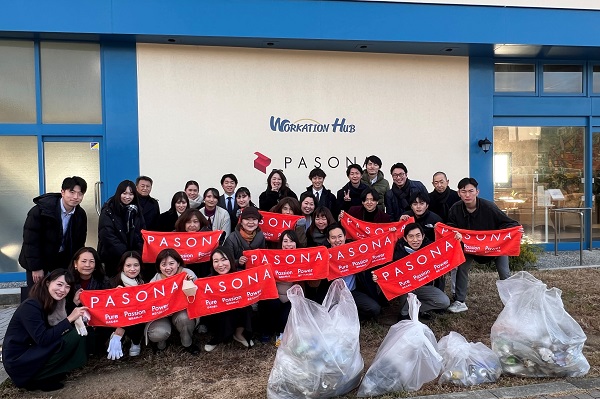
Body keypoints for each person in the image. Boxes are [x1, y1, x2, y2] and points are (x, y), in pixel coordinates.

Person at [3, 269, 88, 391]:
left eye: (67, 287)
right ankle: (37, 378)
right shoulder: (31, 306)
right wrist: (70, 319)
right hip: (19, 361)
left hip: (32, 352)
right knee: (74, 334)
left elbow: (57, 325)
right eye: (59, 284)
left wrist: (74, 304)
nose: (63, 290)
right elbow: (43, 338)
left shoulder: (52, 302)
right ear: (48, 283)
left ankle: (48, 373)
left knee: (77, 331)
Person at [446, 177, 521, 313]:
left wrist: (515, 230)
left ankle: (510, 302)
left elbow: (508, 222)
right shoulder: (455, 209)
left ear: (477, 192)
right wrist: (454, 235)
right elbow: (450, 227)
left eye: (471, 191)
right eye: (464, 191)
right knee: (462, 268)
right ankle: (460, 301)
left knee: (504, 273)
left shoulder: (489, 207)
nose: (467, 195)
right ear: (459, 193)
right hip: (469, 247)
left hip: (494, 246)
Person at [373, 223, 453, 320]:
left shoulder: (432, 248)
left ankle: (418, 309)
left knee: (444, 301)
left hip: (424, 287)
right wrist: (378, 276)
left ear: (423, 236)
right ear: (405, 238)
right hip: (406, 288)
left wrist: (458, 240)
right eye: (411, 237)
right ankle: (405, 313)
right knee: (405, 312)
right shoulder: (397, 251)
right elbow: (387, 270)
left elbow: (451, 250)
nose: (415, 240)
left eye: (418, 236)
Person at [19, 176, 88, 288]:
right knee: (37, 294)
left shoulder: (80, 214)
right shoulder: (41, 210)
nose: (76, 197)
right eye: (72, 192)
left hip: (62, 260)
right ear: (62, 192)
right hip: (39, 259)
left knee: (61, 293)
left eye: (80, 193)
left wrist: (76, 265)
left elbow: (79, 242)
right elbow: (31, 241)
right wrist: (36, 267)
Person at [145, 249, 200, 355]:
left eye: (171, 263)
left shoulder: (187, 274)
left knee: (185, 319)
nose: (168, 268)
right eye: (164, 264)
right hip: (162, 314)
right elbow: (149, 302)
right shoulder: (155, 280)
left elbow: (197, 297)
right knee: (158, 332)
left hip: (181, 311)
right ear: (159, 266)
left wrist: (190, 285)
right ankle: (161, 343)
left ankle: (187, 342)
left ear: (178, 263)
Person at [203, 247, 254, 352]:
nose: (220, 265)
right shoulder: (208, 281)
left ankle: (239, 334)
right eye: (216, 261)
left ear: (230, 260)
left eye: (223, 259)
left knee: (246, 306)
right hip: (219, 315)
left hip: (239, 310)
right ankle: (218, 337)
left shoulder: (241, 274)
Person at [326, 223, 381, 320]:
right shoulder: (324, 255)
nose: (337, 240)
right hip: (333, 295)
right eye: (333, 238)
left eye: (340, 236)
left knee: (374, 309)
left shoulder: (355, 251)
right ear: (328, 240)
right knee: (326, 317)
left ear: (345, 236)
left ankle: (352, 316)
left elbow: (373, 248)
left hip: (353, 292)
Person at [68, 247, 112, 356]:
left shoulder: (104, 281)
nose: (87, 265)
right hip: (74, 322)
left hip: (98, 322)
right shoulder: (66, 281)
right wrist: (74, 302)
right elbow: (61, 310)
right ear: (75, 263)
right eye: (83, 261)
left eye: (91, 261)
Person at [258, 230, 299, 345]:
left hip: (291, 297)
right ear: (281, 243)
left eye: (292, 241)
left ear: (296, 244)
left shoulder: (302, 258)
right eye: (285, 241)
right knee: (270, 304)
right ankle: (266, 331)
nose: (288, 244)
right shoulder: (272, 257)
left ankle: (281, 332)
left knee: (286, 313)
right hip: (274, 295)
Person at [97, 180, 146, 278]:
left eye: (131, 194)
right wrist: (125, 255)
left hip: (133, 260)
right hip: (113, 258)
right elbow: (107, 235)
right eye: (124, 193)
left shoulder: (136, 210)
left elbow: (142, 234)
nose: (127, 197)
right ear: (119, 193)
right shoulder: (108, 210)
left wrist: (135, 254)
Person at [109, 251, 146, 358]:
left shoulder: (143, 282)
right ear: (122, 267)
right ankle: (118, 338)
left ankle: (136, 341)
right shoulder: (112, 283)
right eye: (128, 265)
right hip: (117, 320)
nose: (132, 269)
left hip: (137, 320)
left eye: (136, 265)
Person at [174, 208, 212, 277]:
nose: (192, 225)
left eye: (195, 221)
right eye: (188, 222)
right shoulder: (174, 237)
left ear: (201, 223)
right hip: (180, 277)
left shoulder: (209, 237)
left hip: (204, 276)